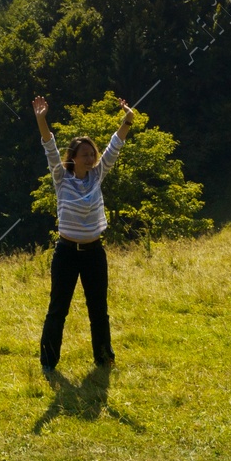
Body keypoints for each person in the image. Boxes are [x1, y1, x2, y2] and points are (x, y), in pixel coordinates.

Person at [33, 95, 134, 375]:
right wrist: (41, 119)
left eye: (93, 154)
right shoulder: (61, 177)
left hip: (94, 253)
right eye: (85, 155)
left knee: (98, 309)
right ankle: (48, 363)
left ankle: (104, 360)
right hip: (66, 252)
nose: (91, 158)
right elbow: (50, 148)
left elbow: (115, 147)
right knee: (58, 309)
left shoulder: (97, 175)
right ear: (73, 158)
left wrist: (127, 120)